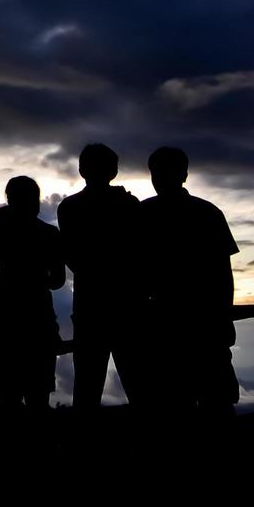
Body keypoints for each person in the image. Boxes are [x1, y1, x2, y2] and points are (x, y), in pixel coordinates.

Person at [137, 146, 239, 415]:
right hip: (199, 322)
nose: (159, 179)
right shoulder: (208, 212)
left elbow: (134, 274)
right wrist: (223, 316)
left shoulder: (141, 215)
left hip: (167, 323)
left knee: (173, 406)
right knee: (213, 403)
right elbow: (223, 275)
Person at [57, 144, 147, 409]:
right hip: (128, 307)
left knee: (86, 388)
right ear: (114, 171)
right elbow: (140, 254)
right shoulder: (130, 205)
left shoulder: (70, 207)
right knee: (139, 386)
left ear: (82, 169)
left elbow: (74, 260)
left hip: (90, 307)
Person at [0, 176, 65, 412]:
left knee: (8, 397)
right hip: (40, 318)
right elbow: (58, 280)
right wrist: (35, 282)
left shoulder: (1, 233)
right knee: (38, 397)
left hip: (7, 318)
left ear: (10, 200)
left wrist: (7, 285)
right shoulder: (49, 234)